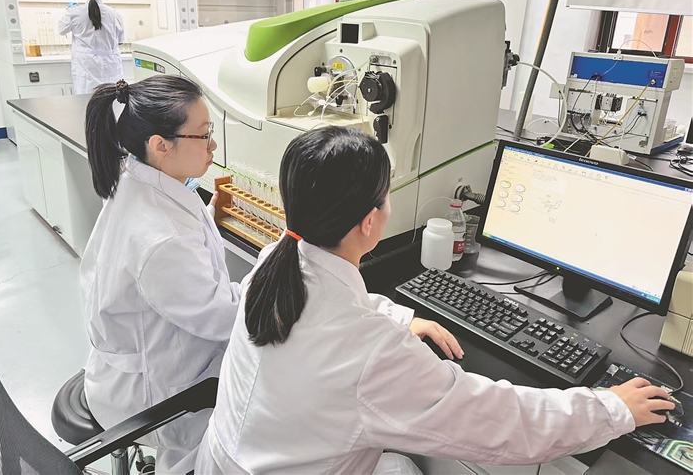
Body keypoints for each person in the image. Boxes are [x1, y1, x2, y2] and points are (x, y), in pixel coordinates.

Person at [195, 126, 675, 474]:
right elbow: (498, 419)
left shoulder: (278, 259)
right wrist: (613, 408)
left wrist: (398, 316)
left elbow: (333, 310)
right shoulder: (370, 353)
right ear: (370, 221)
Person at [81, 75, 240, 472]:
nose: (213, 146)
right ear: (160, 145)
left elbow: (178, 238)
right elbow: (223, 317)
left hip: (130, 364)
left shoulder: (137, 176)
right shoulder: (162, 238)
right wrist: (276, 270)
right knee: (248, 425)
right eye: (204, 135)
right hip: (151, 397)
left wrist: (207, 214)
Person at [59, 0, 124, 95]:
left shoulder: (75, 13)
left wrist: (69, 11)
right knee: (111, 99)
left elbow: (61, 30)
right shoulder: (114, 14)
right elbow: (120, 40)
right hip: (111, 66)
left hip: (86, 67)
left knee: (87, 100)